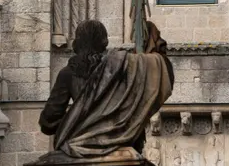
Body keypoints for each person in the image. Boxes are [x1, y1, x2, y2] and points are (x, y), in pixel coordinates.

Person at [39, 20, 174, 157]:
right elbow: (155, 65)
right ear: (103, 42)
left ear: (78, 42)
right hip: (119, 138)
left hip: (77, 142)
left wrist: (75, 121)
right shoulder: (119, 68)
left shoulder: (67, 73)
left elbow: (49, 121)